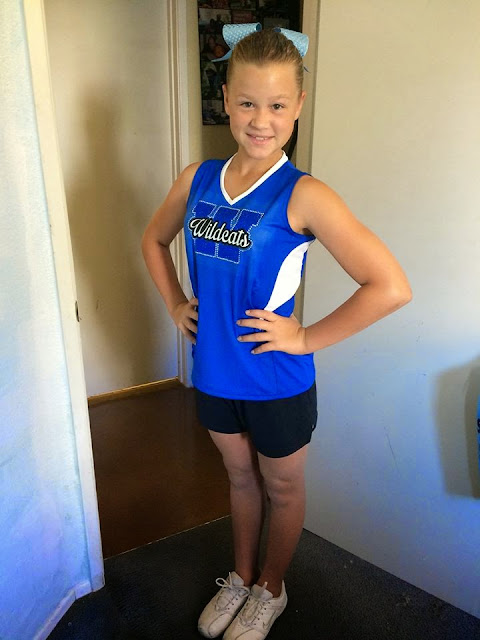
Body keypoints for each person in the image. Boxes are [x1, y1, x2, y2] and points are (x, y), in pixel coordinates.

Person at [141, 24, 412, 640]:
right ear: (225, 100)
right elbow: (153, 240)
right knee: (239, 479)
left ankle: (271, 587)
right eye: (246, 102)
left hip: (276, 380)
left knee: (282, 489)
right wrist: (175, 303)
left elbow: (390, 285)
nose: (260, 120)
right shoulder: (197, 178)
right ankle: (240, 577)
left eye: (277, 105)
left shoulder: (305, 194)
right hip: (215, 371)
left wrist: (305, 338)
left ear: (298, 106)